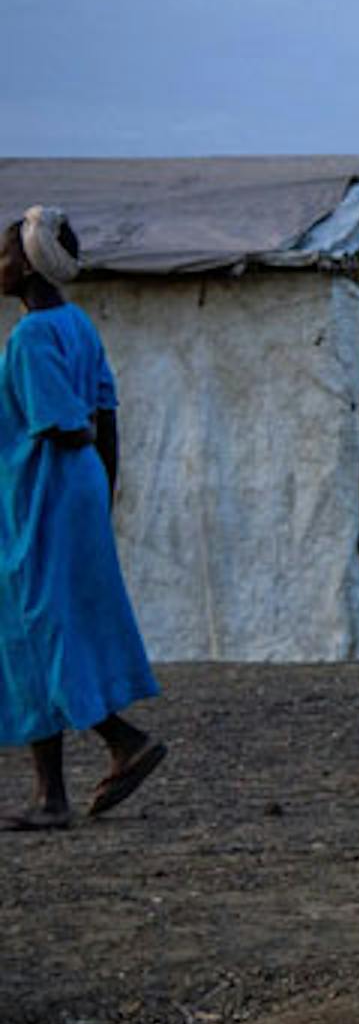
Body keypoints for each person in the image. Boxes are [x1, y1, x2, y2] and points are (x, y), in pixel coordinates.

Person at [0, 207, 165, 830]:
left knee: (37, 627)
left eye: (5, 255)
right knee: (48, 624)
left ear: (32, 265)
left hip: (42, 498)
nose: (0, 267)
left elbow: (65, 423)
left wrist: (76, 455)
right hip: (78, 494)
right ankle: (65, 784)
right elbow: (107, 415)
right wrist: (104, 491)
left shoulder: (32, 336)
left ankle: (107, 753)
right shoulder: (78, 324)